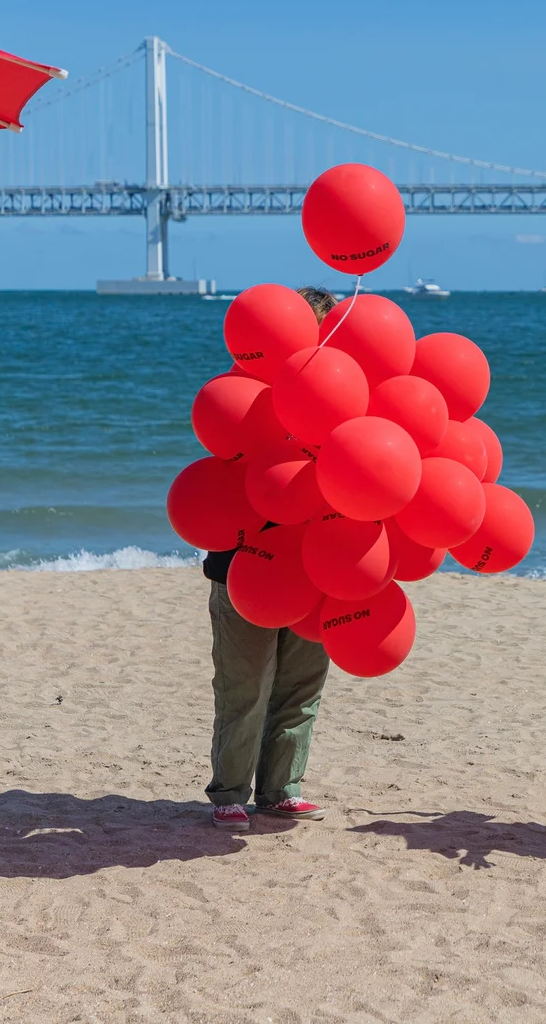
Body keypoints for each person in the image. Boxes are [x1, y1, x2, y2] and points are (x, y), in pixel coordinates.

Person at [202, 286, 337, 828]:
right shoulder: (249, 395)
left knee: (301, 686)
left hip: (318, 564)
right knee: (245, 686)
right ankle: (230, 791)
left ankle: (282, 788)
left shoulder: (343, 398)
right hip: (246, 563)